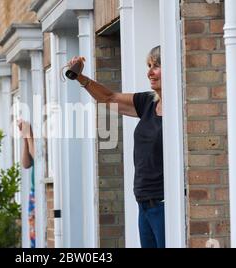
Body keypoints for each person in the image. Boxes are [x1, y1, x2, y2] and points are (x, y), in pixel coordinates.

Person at [68, 46, 165, 248]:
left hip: (164, 203)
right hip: (144, 202)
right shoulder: (147, 102)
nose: (150, 73)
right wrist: (80, 77)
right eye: (149, 66)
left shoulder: (178, 107)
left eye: (156, 66)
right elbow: (108, 98)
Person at [17, 119, 36, 248]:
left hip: (40, 194)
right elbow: (26, 163)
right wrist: (25, 138)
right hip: (34, 194)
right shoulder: (32, 140)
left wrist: (29, 136)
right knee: (34, 237)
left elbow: (38, 158)